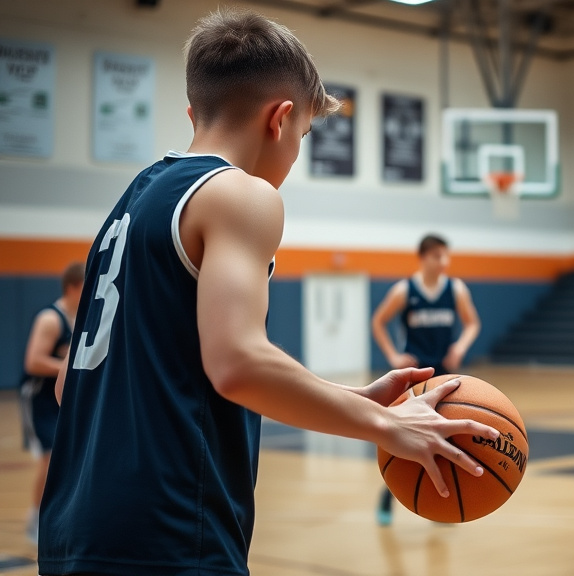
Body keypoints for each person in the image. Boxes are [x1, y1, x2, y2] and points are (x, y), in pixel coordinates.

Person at [38, 10, 498, 576]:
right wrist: (388, 425)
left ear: (194, 111)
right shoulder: (240, 194)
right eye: (303, 135)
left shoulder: (132, 202)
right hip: (170, 532)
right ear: (280, 120)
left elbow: (72, 382)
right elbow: (236, 365)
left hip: (72, 531)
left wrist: (356, 397)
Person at [370, 233, 482, 525]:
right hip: (415, 378)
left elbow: (473, 324)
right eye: (437, 256)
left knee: (447, 442)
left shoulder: (456, 289)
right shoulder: (404, 290)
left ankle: (439, 500)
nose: (443, 262)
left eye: (446, 256)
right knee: (406, 443)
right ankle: (388, 493)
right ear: (423, 258)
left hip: (445, 375)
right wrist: (394, 356)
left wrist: (460, 346)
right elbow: (378, 322)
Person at [18, 262, 84, 544]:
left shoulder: (82, 316)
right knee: (49, 458)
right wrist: (68, 366)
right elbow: (33, 361)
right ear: (72, 287)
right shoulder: (51, 318)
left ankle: (62, 515)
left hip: (63, 398)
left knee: (68, 456)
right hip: (38, 399)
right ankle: (35, 519)